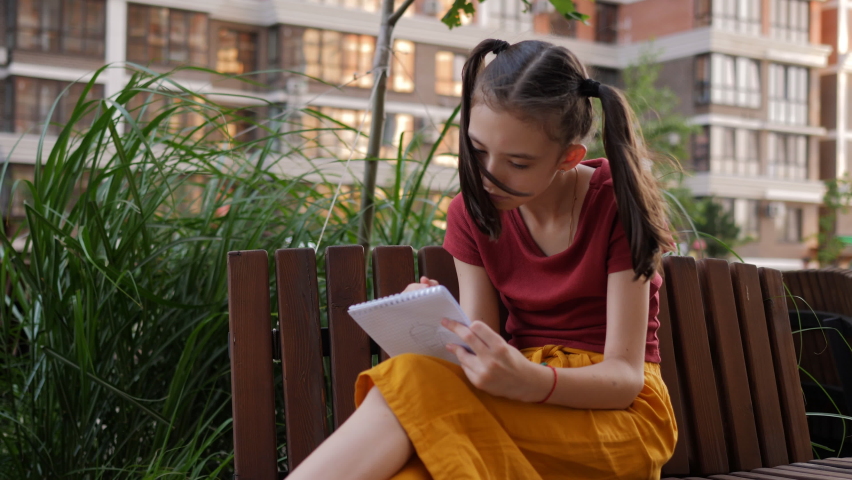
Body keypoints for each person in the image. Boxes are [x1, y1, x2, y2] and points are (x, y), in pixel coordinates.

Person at [287, 38, 677, 480]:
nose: (490, 175)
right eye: (477, 150)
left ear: (568, 158)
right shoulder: (472, 214)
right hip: (515, 399)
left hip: (617, 419)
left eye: (517, 162)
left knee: (410, 383)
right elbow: (480, 340)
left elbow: (625, 380)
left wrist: (532, 381)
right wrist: (441, 323)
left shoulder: (616, 205)